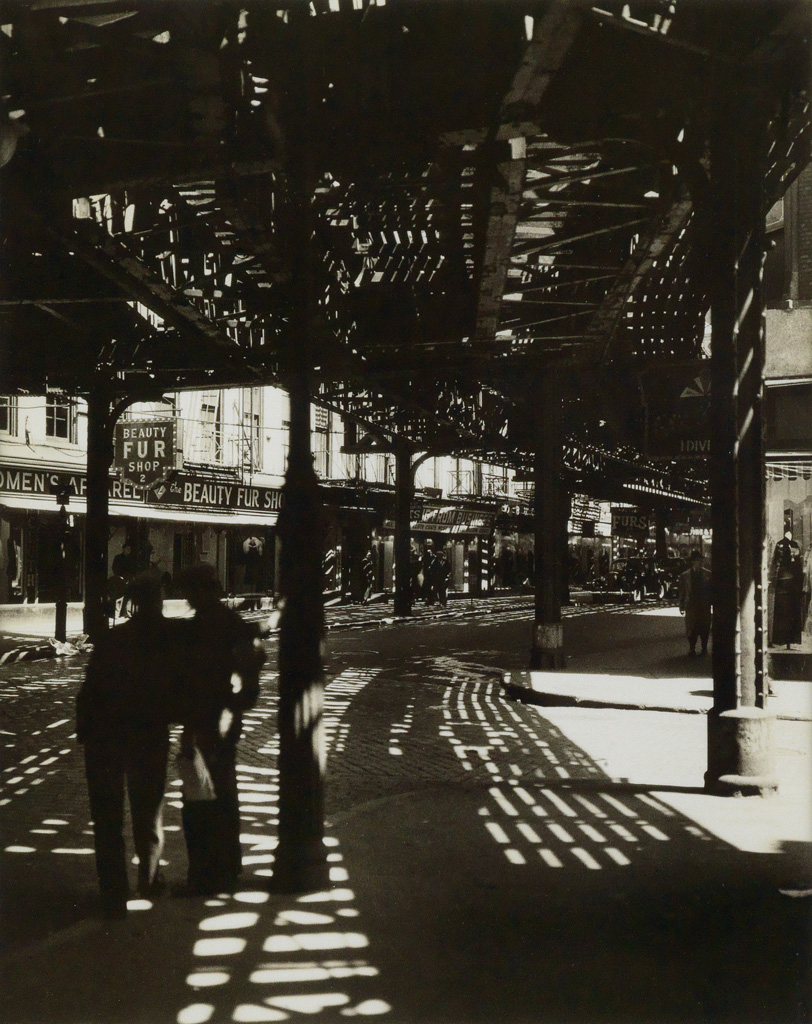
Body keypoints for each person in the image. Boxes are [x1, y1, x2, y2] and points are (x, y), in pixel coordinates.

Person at [76, 574, 175, 919]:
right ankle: (148, 883)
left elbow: (90, 689)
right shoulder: (170, 639)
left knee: (107, 819)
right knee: (148, 814)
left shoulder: (113, 639)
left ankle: (113, 895)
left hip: (105, 737)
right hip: (148, 735)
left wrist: (84, 731)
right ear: (158, 601)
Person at [175, 563, 266, 895]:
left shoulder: (203, 626)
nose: (187, 597)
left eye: (190, 590)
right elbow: (255, 659)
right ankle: (226, 867)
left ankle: (205, 874)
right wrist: (239, 701)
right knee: (222, 793)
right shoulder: (232, 623)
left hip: (206, 718)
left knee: (199, 797)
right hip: (223, 717)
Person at [770, 529, 804, 648]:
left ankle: (782, 639)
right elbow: (798, 565)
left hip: (784, 583)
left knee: (783, 611)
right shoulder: (794, 545)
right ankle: (788, 640)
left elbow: (776, 563)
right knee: (789, 611)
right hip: (791, 583)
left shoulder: (782, 544)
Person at [678, 550, 712, 656]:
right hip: (691, 606)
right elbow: (682, 592)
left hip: (704, 605)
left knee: (705, 627)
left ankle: (704, 648)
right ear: (693, 562)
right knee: (691, 628)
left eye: (701, 560)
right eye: (698, 560)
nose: (701, 562)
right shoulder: (685, 576)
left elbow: (712, 590)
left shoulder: (708, 574)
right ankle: (692, 649)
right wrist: (681, 606)